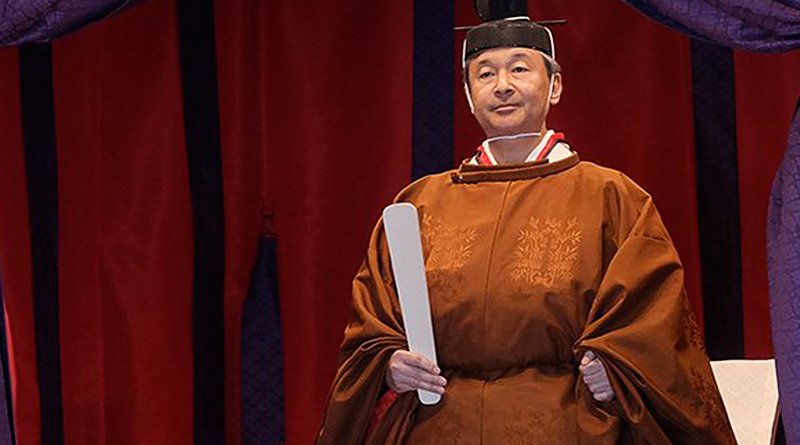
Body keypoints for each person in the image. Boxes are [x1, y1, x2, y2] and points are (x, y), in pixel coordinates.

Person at [317, 17, 737, 445]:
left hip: (567, 420)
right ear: (467, 94)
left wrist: (620, 364)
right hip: (439, 423)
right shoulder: (420, 203)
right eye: (485, 74)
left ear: (554, 86)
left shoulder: (611, 195)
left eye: (519, 68)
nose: (502, 85)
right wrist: (388, 363)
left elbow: (655, 315)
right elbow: (372, 321)